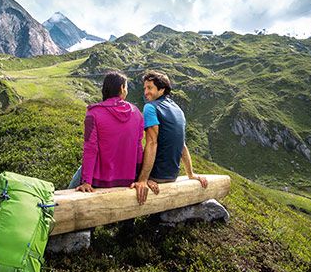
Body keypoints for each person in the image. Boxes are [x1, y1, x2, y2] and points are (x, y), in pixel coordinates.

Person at [131, 70, 208, 205]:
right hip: (172, 176)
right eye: (144, 88)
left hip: (157, 176)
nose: (145, 92)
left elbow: (152, 143)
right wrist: (191, 174)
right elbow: (182, 145)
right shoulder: (179, 110)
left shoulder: (150, 108)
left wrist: (143, 179)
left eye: (150, 88)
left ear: (162, 90)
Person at [67, 71, 144, 192]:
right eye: (126, 87)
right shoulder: (137, 113)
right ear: (122, 88)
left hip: (99, 180)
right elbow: (139, 149)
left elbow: (90, 148)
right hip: (128, 180)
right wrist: (140, 178)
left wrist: (86, 181)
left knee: (70, 189)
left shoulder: (93, 113)